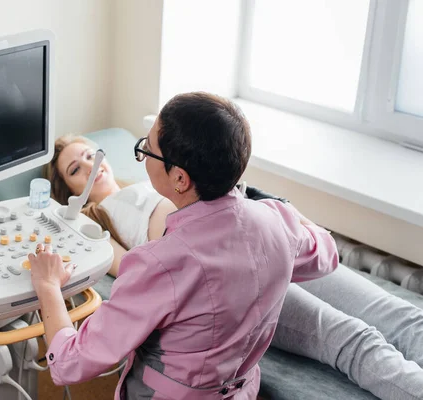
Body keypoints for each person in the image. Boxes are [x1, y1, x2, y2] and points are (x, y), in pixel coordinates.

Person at [41, 138, 423, 397]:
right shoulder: (96, 219)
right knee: (350, 337)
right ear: (69, 192)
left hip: (264, 232)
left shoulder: (152, 178)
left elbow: (322, 248)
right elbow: (128, 270)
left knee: (398, 315)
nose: (92, 165)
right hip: (228, 270)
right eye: (77, 168)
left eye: (92, 154)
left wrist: (288, 219)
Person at [28, 92, 339, 399]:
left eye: (146, 149)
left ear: (179, 179)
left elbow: (69, 366)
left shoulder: (159, 263)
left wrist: (47, 285)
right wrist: (279, 212)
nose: (142, 155)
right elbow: (326, 253)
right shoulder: (278, 220)